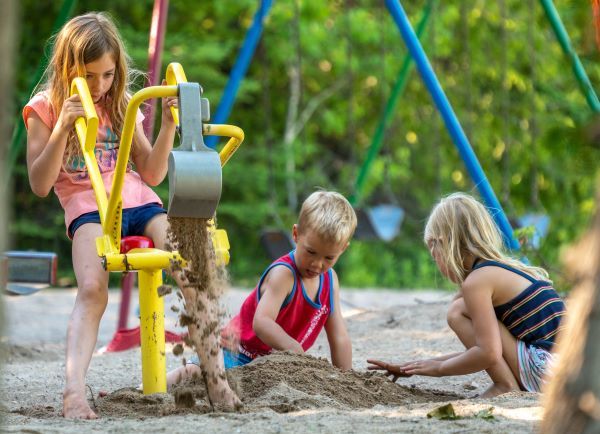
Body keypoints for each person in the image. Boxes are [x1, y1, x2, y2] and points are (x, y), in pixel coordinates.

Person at [23, 12, 239, 418]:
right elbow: (39, 182)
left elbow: (153, 172)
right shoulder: (44, 108)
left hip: (141, 204)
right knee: (92, 290)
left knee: (192, 270)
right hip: (91, 211)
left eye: (107, 75)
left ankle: (217, 380)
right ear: (66, 67)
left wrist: (170, 125)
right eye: (88, 76)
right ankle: (74, 394)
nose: (99, 86)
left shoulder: (122, 103)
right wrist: (62, 127)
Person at [367, 192, 566, 397]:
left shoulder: (477, 282)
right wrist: (416, 367)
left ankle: (505, 386)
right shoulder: (501, 271)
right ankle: (506, 384)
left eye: (434, 256)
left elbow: (488, 353)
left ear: (444, 244)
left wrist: (438, 370)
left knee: (457, 311)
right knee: (463, 311)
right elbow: (483, 350)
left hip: (551, 372)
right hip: (568, 371)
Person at [167, 191, 357, 387]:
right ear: (296, 234)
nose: (317, 264)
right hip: (237, 351)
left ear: (343, 249)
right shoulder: (284, 274)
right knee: (196, 373)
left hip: (275, 362)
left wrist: (346, 380)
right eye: (311, 252)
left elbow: (339, 336)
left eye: (328, 258)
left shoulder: (330, 280)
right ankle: (148, 390)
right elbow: (262, 322)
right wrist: (294, 348)